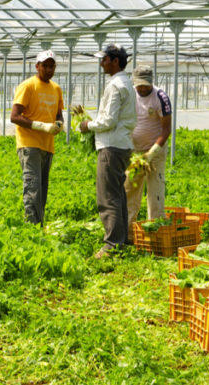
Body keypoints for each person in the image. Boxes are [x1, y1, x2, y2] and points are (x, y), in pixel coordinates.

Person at [80, 44, 136, 257]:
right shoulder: (125, 83)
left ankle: (112, 244)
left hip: (112, 145)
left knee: (108, 196)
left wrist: (88, 125)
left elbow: (109, 120)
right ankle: (121, 240)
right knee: (118, 193)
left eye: (104, 59)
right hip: (122, 144)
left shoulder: (115, 85)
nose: (101, 63)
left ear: (114, 60)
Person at [9, 50, 64, 225]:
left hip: (47, 145)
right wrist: (40, 125)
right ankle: (32, 229)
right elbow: (14, 116)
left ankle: (39, 224)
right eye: (45, 66)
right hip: (29, 144)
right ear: (37, 66)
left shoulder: (56, 88)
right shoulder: (28, 86)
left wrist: (58, 125)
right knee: (33, 187)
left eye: (51, 66)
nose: (48, 69)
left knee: (42, 189)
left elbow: (58, 114)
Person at [125, 65, 172, 240]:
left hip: (156, 151)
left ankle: (156, 234)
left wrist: (151, 153)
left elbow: (166, 130)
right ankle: (129, 234)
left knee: (155, 192)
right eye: (139, 85)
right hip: (135, 152)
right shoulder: (130, 96)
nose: (143, 88)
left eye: (146, 85)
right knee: (130, 189)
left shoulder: (161, 97)